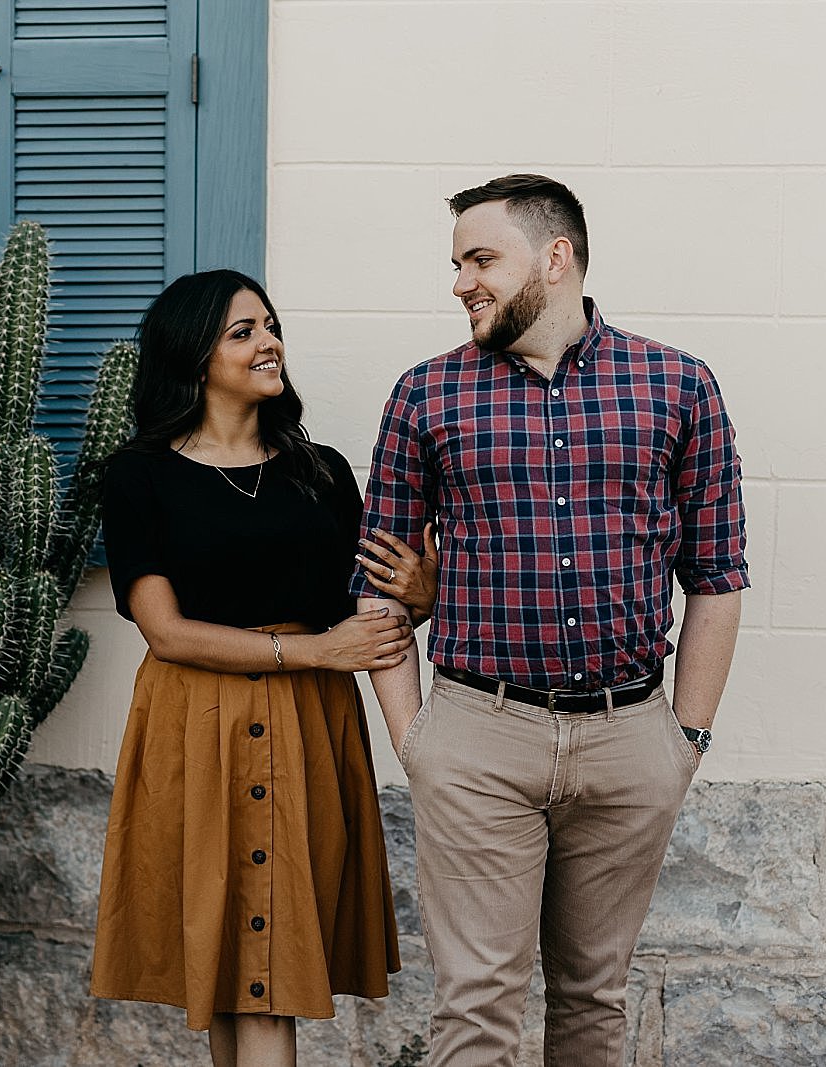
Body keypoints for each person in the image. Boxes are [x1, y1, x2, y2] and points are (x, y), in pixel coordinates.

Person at [352, 174, 748, 1066]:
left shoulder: (679, 386)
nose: (461, 282)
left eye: (481, 258)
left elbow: (718, 574)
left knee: (591, 1002)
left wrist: (685, 737)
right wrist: (416, 738)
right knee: (475, 1012)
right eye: (457, 263)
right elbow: (377, 582)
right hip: (476, 737)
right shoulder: (426, 396)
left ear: (556, 256)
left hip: (630, 739)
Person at [89, 269, 436, 1067]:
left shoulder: (323, 471)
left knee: (268, 966)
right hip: (193, 720)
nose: (268, 342)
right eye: (242, 331)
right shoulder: (138, 474)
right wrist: (312, 651)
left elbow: (376, 611)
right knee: (227, 966)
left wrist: (424, 594)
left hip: (307, 728)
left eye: (270, 325)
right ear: (192, 355)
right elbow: (164, 630)